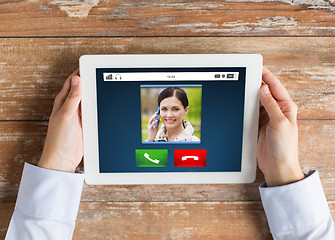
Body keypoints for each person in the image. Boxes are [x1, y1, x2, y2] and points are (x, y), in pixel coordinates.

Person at [5, 67, 335, 240]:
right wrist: (284, 172)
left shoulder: (193, 139)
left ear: (186, 110)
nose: (168, 114)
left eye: (175, 108)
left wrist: (57, 166)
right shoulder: (156, 134)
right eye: (163, 109)